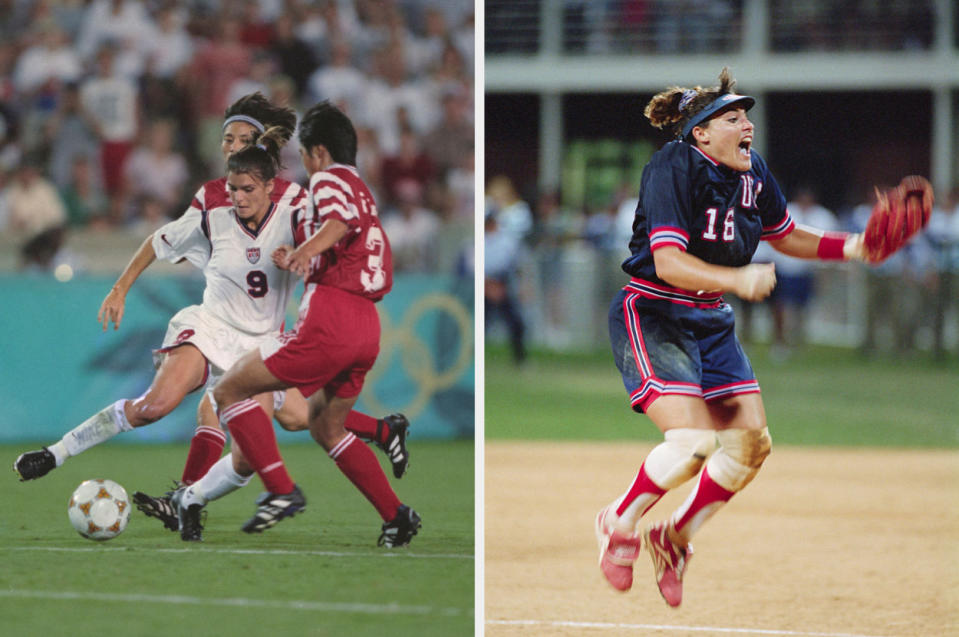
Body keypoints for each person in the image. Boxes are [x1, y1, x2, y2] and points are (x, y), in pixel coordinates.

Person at [13, 95, 409, 508]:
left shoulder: (296, 200)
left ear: (263, 147)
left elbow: (330, 238)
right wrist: (120, 287)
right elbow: (160, 239)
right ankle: (58, 454)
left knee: (294, 419)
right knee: (155, 406)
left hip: (262, 339)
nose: (231, 147)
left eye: (242, 139)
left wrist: (307, 260)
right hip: (211, 325)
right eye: (226, 139)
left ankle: (381, 433)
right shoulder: (211, 198)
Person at [596, 68, 878, 607]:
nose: (747, 124)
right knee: (693, 443)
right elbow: (669, 262)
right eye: (733, 117)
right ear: (701, 132)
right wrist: (735, 279)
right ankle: (619, 520)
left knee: (751, 448)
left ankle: (672, 538)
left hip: (709, 321)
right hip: (654, 312)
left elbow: (786, 234)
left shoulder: (752, 173)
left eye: (746, 115)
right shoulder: (674, 165)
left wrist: (856, 247)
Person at [177, 101, 420, 548]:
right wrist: (301, 254)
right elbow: (350, 231)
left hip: (331, 316)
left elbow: (337, 221)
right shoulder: (360, 185)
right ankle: (396, 516)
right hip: (367, 323)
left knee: (230, 388)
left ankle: (280, 489)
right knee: (325, 427)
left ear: (318, 152)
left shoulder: (327, 179)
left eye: (306, 153)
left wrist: (305, 252)